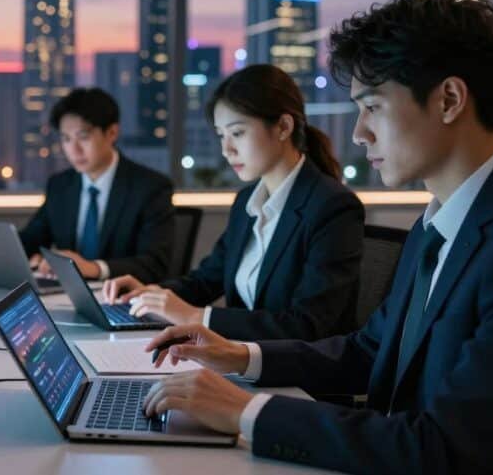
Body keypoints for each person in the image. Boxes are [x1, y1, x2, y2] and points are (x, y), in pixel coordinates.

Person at [142, 0, 493, 473]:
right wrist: (239, 355)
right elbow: (369, 350)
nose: (359, 133)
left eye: (372, 107)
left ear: (449, 99)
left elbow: (449, 449)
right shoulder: (440, 219)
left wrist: (243, 411)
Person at [102, 64, 364, 341]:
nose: (227, 150)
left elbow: (308, 324)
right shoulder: (246, 202)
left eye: (237, 133)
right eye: (221, 135)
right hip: (237, 360)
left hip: (295, 376)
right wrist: (150, 292)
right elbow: (206, 280)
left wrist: (195, 317)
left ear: (283, 127)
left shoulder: (332, 207)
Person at [18, 87, 175, 282]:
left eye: (83, 137)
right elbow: (30, 240)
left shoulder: (150, 188)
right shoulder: (60, 185)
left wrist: (93, 268)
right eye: (66, 139)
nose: (73, 149)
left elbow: (155, 264)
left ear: (111, 133)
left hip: (123, 300)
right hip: (65, 298)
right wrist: (29, 259)